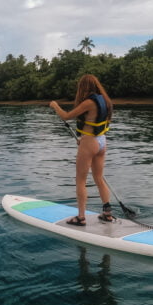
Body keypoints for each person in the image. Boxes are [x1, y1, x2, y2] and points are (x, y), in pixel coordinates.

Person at [49, 74, 113, 226]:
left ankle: (81, 217)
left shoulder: (89, 102)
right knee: (99, 178)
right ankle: (107, 214)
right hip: (102, 141)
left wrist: (55, 106)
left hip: (90, 142)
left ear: (83, 87)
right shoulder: (106, 100)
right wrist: (84, 140)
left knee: (80, 180)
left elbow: (66, 116)